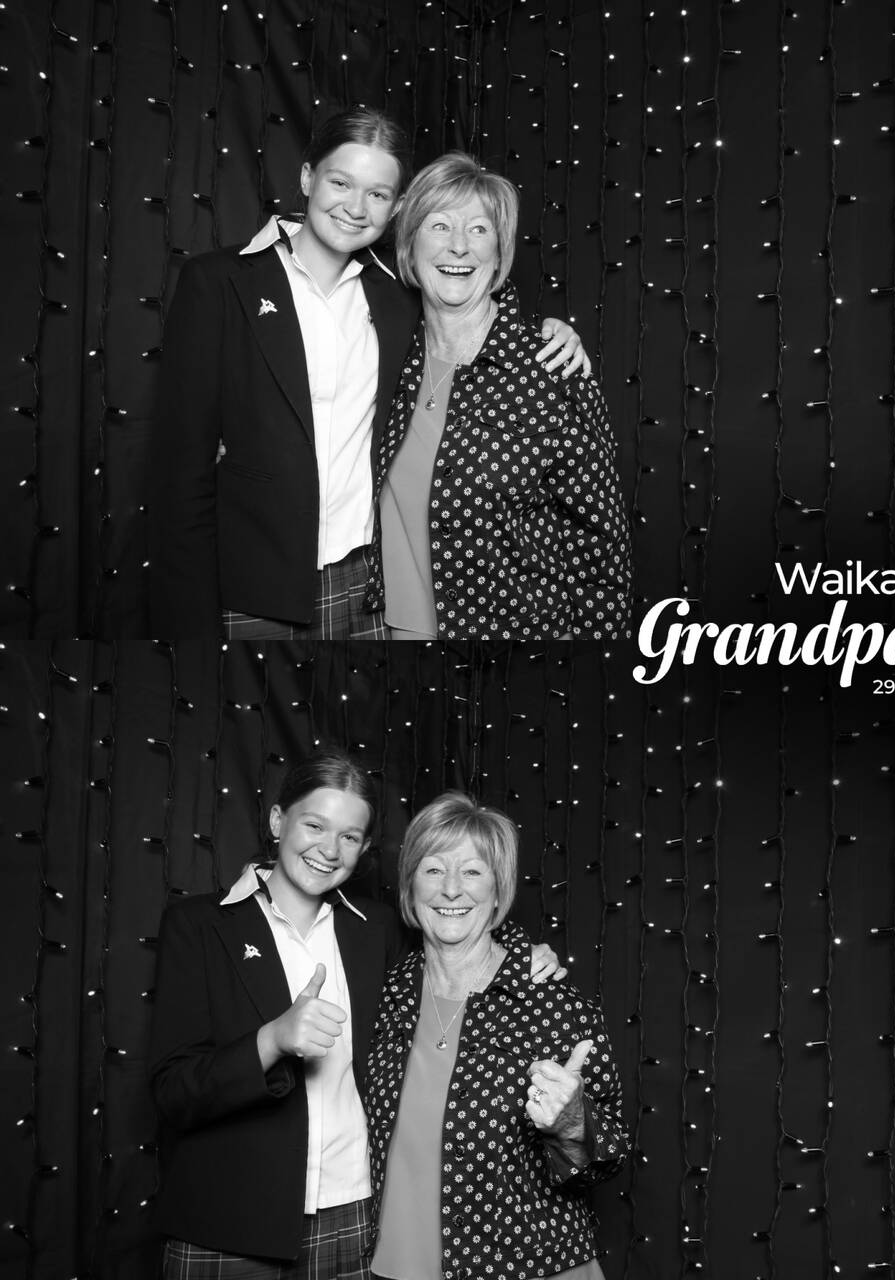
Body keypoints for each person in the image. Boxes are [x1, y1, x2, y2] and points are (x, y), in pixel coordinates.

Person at [148, 108, 591, 639]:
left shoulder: (396, 295)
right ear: (308, 178)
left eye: (378, 194)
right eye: (340, 183)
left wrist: (548, 332)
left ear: (397, 206)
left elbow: (468, 294)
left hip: (367, 589)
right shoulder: (219, 282)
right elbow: (180, 471)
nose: (356, 208)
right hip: (251, 588)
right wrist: (189, 617)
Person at [148, 747, 567, 1278]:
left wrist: (523, 954)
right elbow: (172, 1092)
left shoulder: (378, 930)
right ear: (277, 821)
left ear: (365, 847)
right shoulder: (199, 926)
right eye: (314, 825)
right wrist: (270, 1041)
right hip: (226, 1222)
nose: (329, 849)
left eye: (349, 836)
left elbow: (456, 929)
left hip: (352, 1216)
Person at [362, 792, 629, 1279]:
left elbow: (608, 1158)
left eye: (472, 871)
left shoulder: (553, 1002)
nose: (451, 889)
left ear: (498, 889)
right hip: (397, 1266)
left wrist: (573, 1123)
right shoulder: (382, 994)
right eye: (433, 869)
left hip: (531, 1266)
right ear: (410, 885)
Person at [367, 153, 632, 639]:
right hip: (393, 633)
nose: (459, 246)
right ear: (409, 243)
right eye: (439, 225)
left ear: (499, 251)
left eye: (479, 229)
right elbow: (329, 231)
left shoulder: (552, 366)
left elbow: (602, 541)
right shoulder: (383, 350)